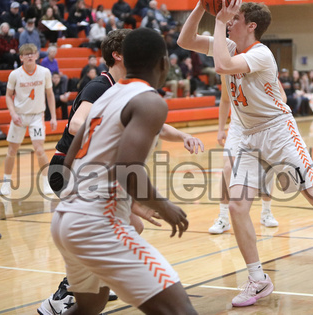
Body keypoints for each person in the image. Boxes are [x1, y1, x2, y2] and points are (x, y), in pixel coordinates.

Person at [178, 0, 313, 307]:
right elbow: (185, 40)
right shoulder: (230, 46)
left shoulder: (261, 54)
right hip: (248, 136)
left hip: (278, 132)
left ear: (251, 26)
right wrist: (201, 6)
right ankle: (258, 279)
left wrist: (220, 21)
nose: (229, 20)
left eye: (236, 18)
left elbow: (221, 66)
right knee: (236, 206)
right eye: (229, 18)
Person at [40, 28, 204, 314]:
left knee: (90, 307)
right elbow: (127, 169)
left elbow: (70, 159)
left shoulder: (107, 95)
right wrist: (164, 206)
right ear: (163, 63)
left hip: (66, 219)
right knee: (180, 310)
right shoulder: (150, 100)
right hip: (97, 225)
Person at [207, 71, 284, 234]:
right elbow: (226, 99)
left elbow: (282, 97)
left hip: (261, 125)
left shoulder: (262, 67)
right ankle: (223, 217)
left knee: (266, 169)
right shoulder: (227, 70)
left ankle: (266, 212)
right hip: (237, 127)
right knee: (228, 168)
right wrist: (220, 129)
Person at [0, 43, 57, 197]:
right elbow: (8, 96)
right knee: (12, 150)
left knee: (39, 149)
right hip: (19, 116)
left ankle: (46, 182)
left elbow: (50, 95)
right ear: (21, 57)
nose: (30, 56)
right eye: (27, 54)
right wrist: (12, 113)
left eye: (32, 53)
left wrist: (53, 117)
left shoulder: (45, 72)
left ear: (37, 55)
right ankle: (6, 184)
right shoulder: (15, 74)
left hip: (37, 115)